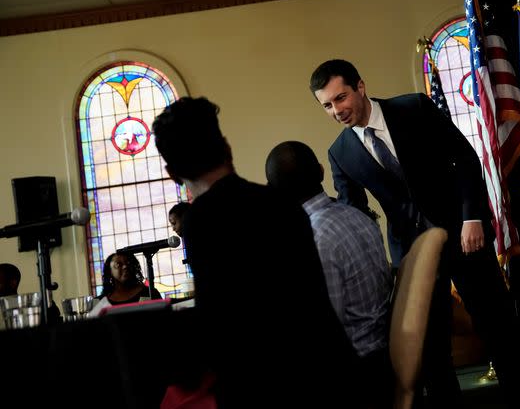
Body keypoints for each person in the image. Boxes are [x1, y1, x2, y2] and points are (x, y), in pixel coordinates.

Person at [310, 59, 520, 409]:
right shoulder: (339, 154)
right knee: (429, 347)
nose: (337, 110)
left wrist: (471, 218)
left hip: (464, 235)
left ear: (360, 86)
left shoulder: (413, 108)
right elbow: (355, 213)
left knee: (496, 323)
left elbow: (464, 159)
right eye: (327, 105)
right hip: (412, 255)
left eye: (341, 98)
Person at [151, 96, 360, 408]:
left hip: (268, 388)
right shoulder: (282, 203)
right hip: (333, 377)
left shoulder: (200, 223)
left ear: (171, 173)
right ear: (227, 148)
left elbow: (222, 328)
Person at [266, 140, 394, 408]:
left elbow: (327, 329)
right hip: (385, 354)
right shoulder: (358, 216)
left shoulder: (311, 239)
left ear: (275, 193)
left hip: (357, 373)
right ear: (322, 172)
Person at [88, 251, 163, 316]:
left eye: (128, 263)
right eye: (118, 264)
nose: (125, 266)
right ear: (109, 271)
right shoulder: (98, 302)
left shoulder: (149, 293)